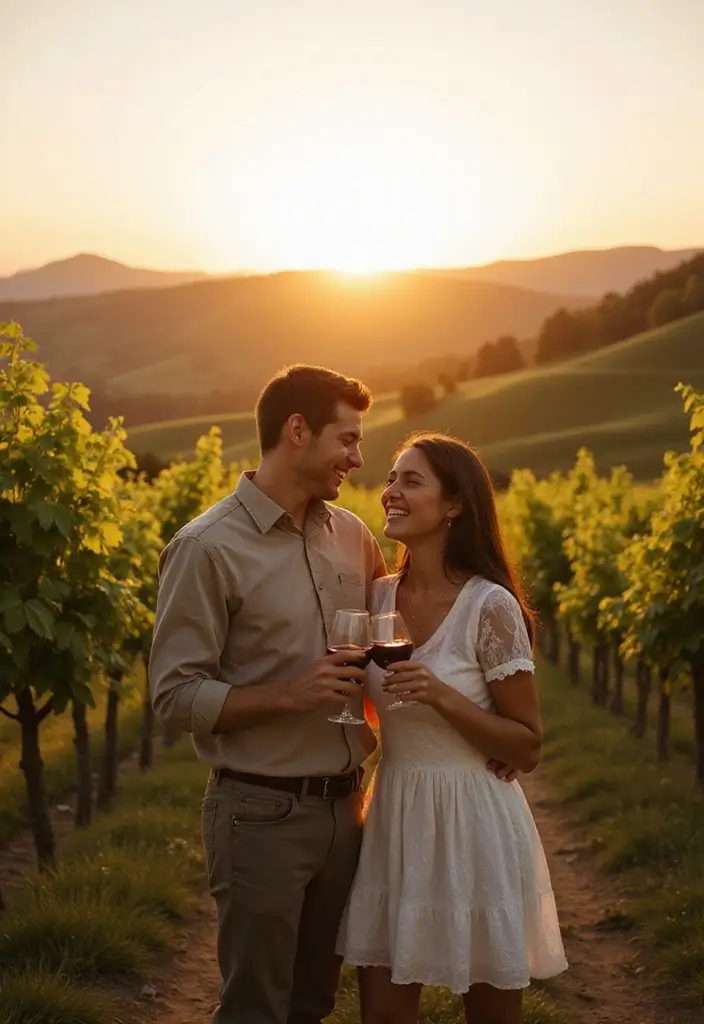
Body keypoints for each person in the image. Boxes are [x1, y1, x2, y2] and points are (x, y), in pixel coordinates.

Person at [149, 364, 388, 1024]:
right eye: (347, 439)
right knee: (257, 1008)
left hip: (349, 812)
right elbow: (173, 695)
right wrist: (291, 694)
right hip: (260, 813)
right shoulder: (205, 547)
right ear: (297, 431)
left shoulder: (354, 537)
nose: (358, 458)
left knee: (312, 1004)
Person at [337, 433, 568, 1024]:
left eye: (410, 481)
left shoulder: (489, 606)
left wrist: (441, 697)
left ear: (455, 504)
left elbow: (528, 744)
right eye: (391, 478)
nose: (390, 491)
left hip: (474, 822)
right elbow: (376, 709)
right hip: (393, 814)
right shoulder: (377, 598)